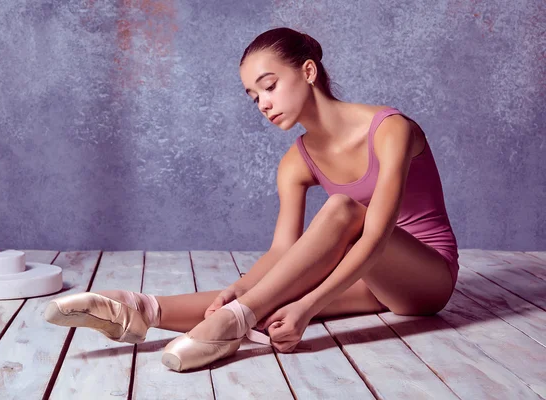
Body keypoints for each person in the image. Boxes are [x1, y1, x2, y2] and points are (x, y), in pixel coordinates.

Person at [44, 27, 459, 372]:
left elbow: (376, 237)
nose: (263, 104)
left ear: (309, 71)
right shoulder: (295, 161)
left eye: (269, 86)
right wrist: (238, 289)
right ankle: (140, 309)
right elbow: (283, 250)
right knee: (264, 294)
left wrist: (309, 306)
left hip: (425, 279)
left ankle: (237, 320)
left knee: (340, 209)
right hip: (366, 279)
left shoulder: (391, 129)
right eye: (253, 96)